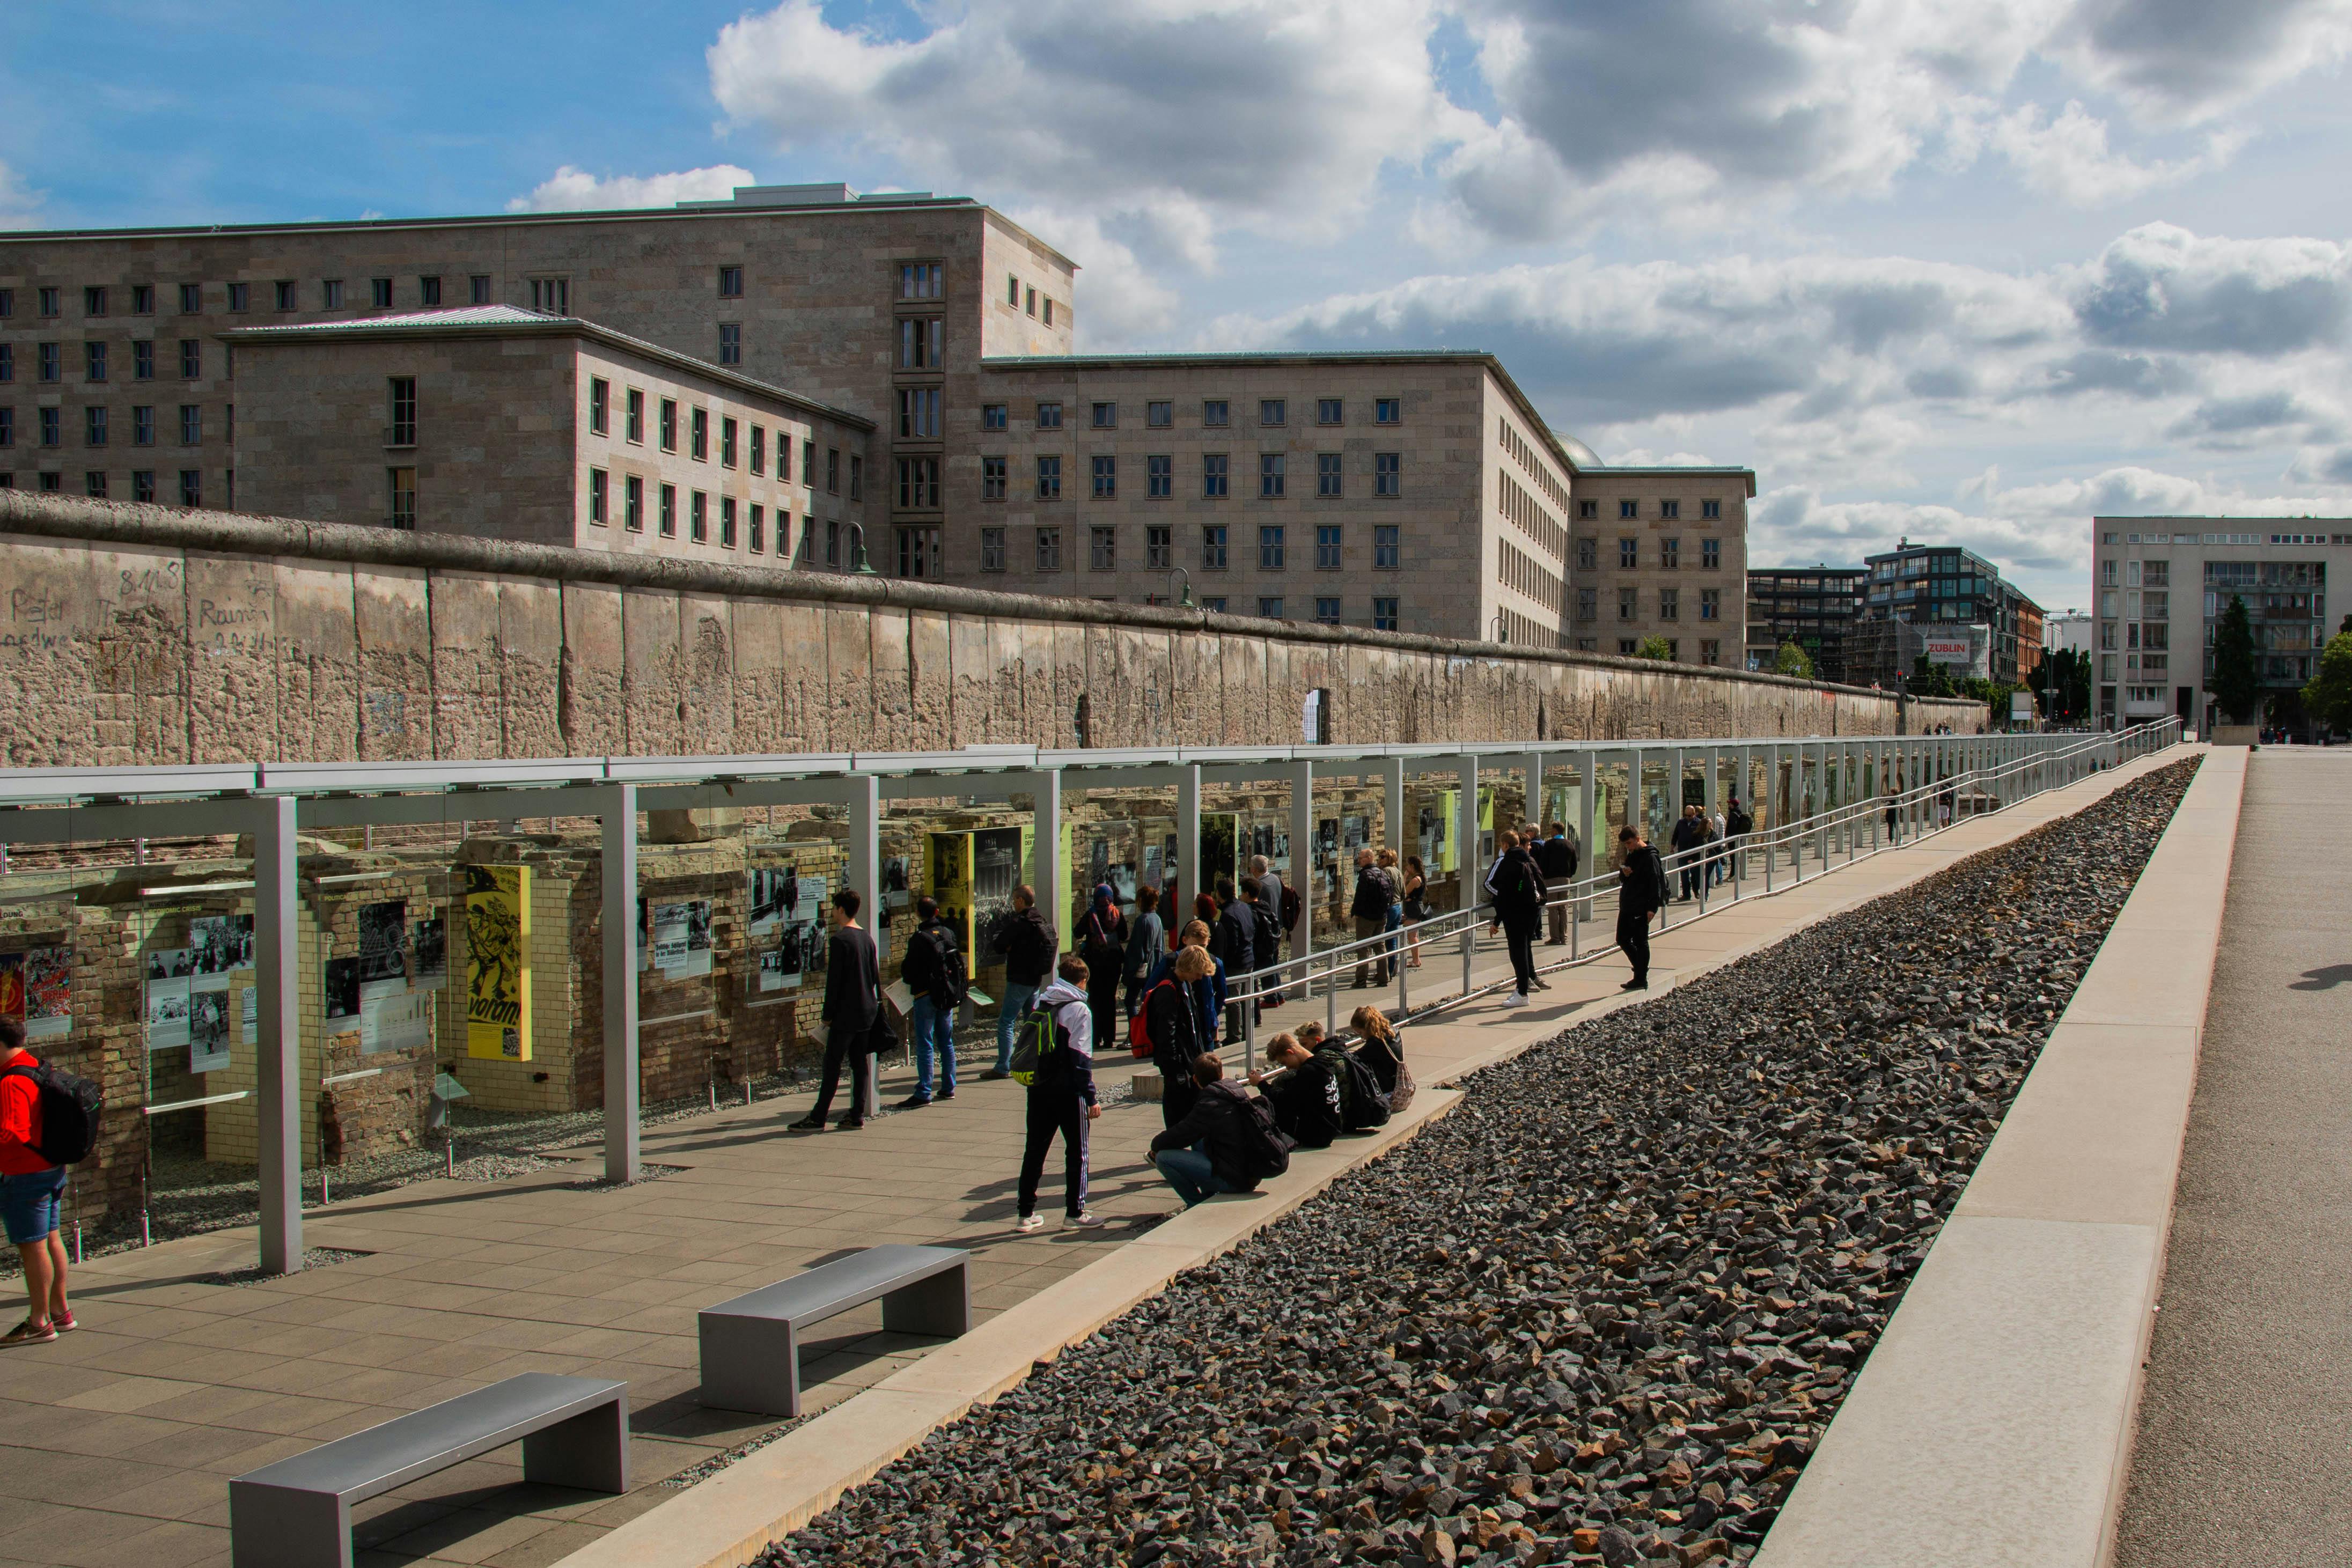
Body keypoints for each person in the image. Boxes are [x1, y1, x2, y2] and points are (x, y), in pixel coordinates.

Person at [1014, 955, 1103, 1232]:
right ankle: (1075, 1213)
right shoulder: (1079, 1010)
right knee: (1078, 1152)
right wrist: (1091, 1097)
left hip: (1039, 1087)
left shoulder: (1043, 1002)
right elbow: (1081, 1059)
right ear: (1083, 980)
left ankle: (1025, 1214)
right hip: (1069, 1092)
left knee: (1034, 1151)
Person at [0, 1018, 72, 1347]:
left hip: (25, 1176)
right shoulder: (35, 1066)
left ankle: (39, 1322)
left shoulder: (11, 1081)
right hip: (50, 1169)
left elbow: (13, 1133)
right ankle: (60, 1311)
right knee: (52, 1239)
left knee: (33, 1248)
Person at [793, 888, 880, 1131]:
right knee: (859, 1063)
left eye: (834, 908)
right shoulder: (866, 938)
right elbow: (874, 976)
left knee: (832, 1064)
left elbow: (835, 982)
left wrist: (828, 1016)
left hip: (845, 1013)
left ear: (841, 910)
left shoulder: (840, 940)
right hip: (866, 1010)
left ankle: (819, 1116)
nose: (832, 912)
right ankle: (857, 1114)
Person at [1149, 1052, 1267, 1209]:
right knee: (1200, 1138)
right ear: (1221, 1074)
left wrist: (1155, 1147)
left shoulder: (1209, 1105)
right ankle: (1209, 1194)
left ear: (1195, 1079)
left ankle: (1195, 1204)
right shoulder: (1237, 1093)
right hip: (1252, 1173)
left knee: (1164, 1158)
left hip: (1235, 1180)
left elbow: (1180, 1134)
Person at [895, 895, 961, 1109]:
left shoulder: (919, 938)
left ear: (918, 914)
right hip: (947, 994)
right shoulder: (948, 933)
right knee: (946, 1041)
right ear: (937, 912)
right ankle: (949, 1086)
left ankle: (924, 1091)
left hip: (925, 994)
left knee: (925, 1043)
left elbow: (908, 970)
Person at [1143, 944, 1217, 1129]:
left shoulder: (1184, 986)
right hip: (1178, 1065)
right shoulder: (1168, 991)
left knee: (1191, 1113)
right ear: (1190, 968)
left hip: (1188, 1061)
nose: (1199, 978)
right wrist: (1176, 1066)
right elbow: (1165, 1035)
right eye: (1199, 973)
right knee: (1178, 1114)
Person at [989, 884, 1056, 1079]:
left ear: (1020, 901)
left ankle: (1003, 1066)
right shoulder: (1041, 920)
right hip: (1035, 979)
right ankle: (1030, 1060)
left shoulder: (1019, 923)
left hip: (1018, 979)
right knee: (1030, 1022)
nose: (1013, 904)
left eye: (1014, 901)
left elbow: (999, 945)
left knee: (1006, 1022)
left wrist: (1011, 947)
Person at [1484, 828, 1548, 1007]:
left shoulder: (1508, 862)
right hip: (1531, 912)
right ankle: (1523, 987)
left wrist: (1497, 919)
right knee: (1524, 950)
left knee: (1518, 953)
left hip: (1515, 914)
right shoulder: (1528, 860)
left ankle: (1522, 993)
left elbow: (1501, 891)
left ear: (1505, 845)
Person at [1248, 1032, 1341, 1149]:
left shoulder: (1309, 1071)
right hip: (1330, 1130)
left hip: (1316, 1136)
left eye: (1284, 1063)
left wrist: (1261, 1084)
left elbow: (1285, 1101)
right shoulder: (1322, 1062)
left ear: (1290, 1052)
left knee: (1265, 1108)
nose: (1287, 1068)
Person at [1615, 825, 1666, 991]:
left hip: (1641, 905)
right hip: (1628, 904)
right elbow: (1625, 878)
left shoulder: (1650, 857)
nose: (1628, 847)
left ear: (1638, 839)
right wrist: (1625, 873)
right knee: (1622, 939)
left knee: (1640, 941)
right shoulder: (1632, 855)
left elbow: (1655, 882)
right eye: (1626, 845)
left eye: (1629, 843)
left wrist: (1652, 907)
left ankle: (1641, 976)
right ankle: (1640, 970)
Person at [1077, 882, 1127, 1048]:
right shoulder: (1117, 914)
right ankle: (1109, 1038)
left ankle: (1096, 1037)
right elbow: (1124, 935)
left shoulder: (1091, 915)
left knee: (1095, 1000)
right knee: (1110, 999)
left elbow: (1077, 932)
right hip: (1113, 962)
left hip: (1094, 962)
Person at [1212, 877, 1258, 1044]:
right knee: (1245, 998)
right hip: (1249, 958)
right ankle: (1246, 1032)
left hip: (1236, 963)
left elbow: (1232, 943)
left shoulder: (1228, 915)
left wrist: (1224, 963)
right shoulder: (1244, 907)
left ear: (1219, 894)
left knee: (1233, 1000)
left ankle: (1234, 1035)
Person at [1348, 848, 1393, 988]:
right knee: (1380, 946)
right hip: (1381, 916)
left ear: (1369, 858)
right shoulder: (1382, 873)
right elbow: (1391, 895)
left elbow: (1360, 897)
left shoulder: (1365, 875)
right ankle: (1384, 978)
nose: (1359, 861)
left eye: (1361, 858)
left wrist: (1356, 912)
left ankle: (1361, 980)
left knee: (1363, 948)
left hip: (1367, 918)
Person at [1350, 1004, 1409, 1106]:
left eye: (1360, 1033)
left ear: (1367, 1027)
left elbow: (1353, 1057)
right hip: (1399, 1087)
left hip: (1388, 1093)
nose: (1362, 1038)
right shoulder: (1394, 1031)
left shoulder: (1376, 1043)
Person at [1122, 884, 1165, 1021]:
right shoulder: (1157, 919)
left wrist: (1128, 971)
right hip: (1153, 967)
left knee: (1130, 1000)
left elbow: (1137, 949)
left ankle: (1135, 1029)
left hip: (1141, 969)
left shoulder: (1143, 920)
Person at [1251, 854, 1288, 1005]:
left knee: (1266, 964)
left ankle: (1271, 998)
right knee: (1273, 962)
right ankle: (1278, 994)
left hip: (1266, 931)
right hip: (1276, 928)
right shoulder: (1275, 879)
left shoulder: (1260, 886)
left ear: (1254, 869)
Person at [1537, 822, 1578, 944]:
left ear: (1555, 831)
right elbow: (1574, 864)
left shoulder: (1549, 845)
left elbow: (1543, 863)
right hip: (1566, 879)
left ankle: (1555, 938)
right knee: (1564, 908)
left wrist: (1543, 877)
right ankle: (1564, 937)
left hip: (1551, 879)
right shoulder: (1569, 844)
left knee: (1553, 908)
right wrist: (1569, 874)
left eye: (1552, 829)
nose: (1551, 831)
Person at [1377, 847, 1406, 979]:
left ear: (1390, 859)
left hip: (1389, 908)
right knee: (1392, 941)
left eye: (1383, 857)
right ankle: (1391, 969)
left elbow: (1383, 891)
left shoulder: (1386, 871)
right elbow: (1404, 893)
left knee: (1381, 941)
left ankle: (1384, 973)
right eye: (1379, 856)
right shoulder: (1398, 872)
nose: (1380, 859)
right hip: (1397, 907)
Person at [1671, 805, 1707, 902]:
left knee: (1695, 874)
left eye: (1690, 816)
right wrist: (1672, 848)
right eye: (1686, 815)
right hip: (1682, 852)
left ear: (1694, 814)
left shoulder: (1699, 823)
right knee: (1684, 874)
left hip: (1694, 853)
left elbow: (1701, 838)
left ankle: (1696, 890)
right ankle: (1686, 894)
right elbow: (1675, 835)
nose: (1687, 817)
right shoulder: (1681, 822)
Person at [1400, 853, 1429, 968]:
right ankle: (1417, 959)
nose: (1406, 867)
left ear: (1412, 866)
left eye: (1408, 865)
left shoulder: (1415, 880)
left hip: (1413, 908)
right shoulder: (1421, 878)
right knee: (1414, 934)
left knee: (1412, 935)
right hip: (1417, 906)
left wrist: (1404, 878)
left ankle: (1416, 960)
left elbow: (1404, 892)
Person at [1725, 795, 1751, 879]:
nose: (1729, 806)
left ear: (1733, 805)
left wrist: (1728, 836)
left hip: (1733, 838)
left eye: (1730, 804)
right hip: (1737, 838)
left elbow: (1732, 827)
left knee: (1733, 857)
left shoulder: (1733, 815)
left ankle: (1734, 875)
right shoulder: (1739, 813)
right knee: (1735, 857)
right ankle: (1734, 874)